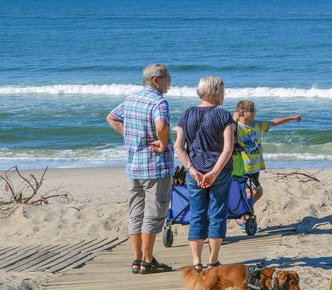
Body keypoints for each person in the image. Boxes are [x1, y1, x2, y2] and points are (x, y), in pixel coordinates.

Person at [106, 63, 174, 275]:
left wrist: (130, 135)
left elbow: (111, 117)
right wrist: (163, 143)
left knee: (136, 213)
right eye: (167, 77)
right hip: (155, 166)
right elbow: (161, 126)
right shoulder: (158, 101)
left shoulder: (131, 99)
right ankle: (147, 260)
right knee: (153, 214)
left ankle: (137, 259)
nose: (170, 82)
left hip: (134, 166)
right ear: (156, 80)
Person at [173, 76, 234, 272]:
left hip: (195, 172)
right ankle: (213, 261)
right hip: (220, 171)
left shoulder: (187, 114)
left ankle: (196, 261)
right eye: (222, 90)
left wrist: (192, 170)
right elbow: (228, 149)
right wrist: (214, 172)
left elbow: (178, 147)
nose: (224, 94)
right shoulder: (224, 115)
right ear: (215, 92)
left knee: (197, 214)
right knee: (217, 214)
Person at [230, 100, 304, 225]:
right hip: (245, 167)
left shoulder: (257, 124)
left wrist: (292, 118)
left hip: (256, 166)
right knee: (258, 191)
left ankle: (245, 218)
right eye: (251, 110)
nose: (254, 112)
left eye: (254, 110)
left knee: (249, 192)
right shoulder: (236, 126)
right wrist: (233, 121)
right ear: (242, 112)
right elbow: (225, 134)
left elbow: (273, 122)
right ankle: (242, 215)